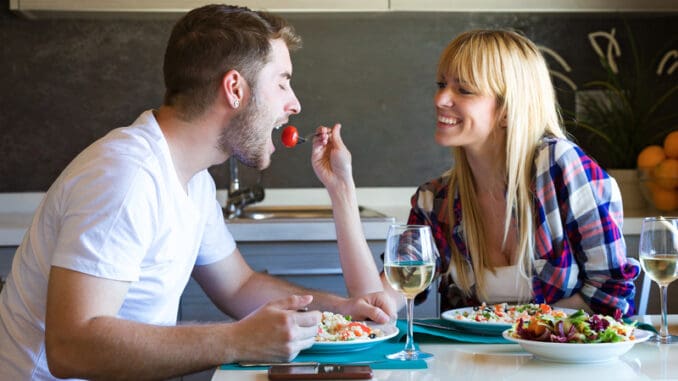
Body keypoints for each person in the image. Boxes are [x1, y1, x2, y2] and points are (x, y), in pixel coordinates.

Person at [0, 5, 394, 380]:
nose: (294, 104)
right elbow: (71, 347)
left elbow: (239, 287)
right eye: (282, 82)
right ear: (235, 89)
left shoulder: (193, 179)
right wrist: (236, 339)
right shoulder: (126, 176)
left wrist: (338, 310)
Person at [312, 29, 640, 320]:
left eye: (464, 90)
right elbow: (375, 304)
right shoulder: (436, 199)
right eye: (442, 85)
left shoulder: (559, 166)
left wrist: (528, 332)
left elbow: (611, 296)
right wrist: (342, 189)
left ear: (508, 109)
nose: (440, 99)